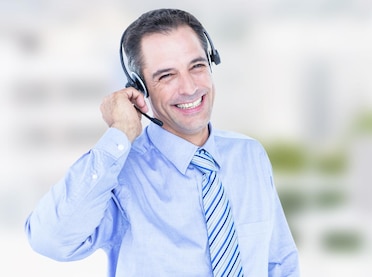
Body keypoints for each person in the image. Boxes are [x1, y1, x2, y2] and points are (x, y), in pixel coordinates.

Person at [25, 8, 300, 277]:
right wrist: (120, 133)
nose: (189, 87)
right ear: (140, 88)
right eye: (166, 75)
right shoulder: (120, 174)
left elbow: (279, 262)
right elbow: (50, 239)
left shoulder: (249, 154)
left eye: (197, 66)